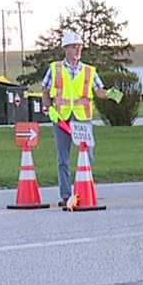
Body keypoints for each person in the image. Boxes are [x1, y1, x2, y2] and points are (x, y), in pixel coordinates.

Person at [41, 30, 108, 207]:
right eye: (74, 46)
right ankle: (66, 195)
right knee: (63, 157)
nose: (78, 50)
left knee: (88, 155)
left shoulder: (88, 70)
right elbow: (46, 92)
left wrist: (109, 94)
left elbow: (99, 89)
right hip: (62, 117)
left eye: (79, 46)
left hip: (82, 117)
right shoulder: (55, 68)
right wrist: (49, 109)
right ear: (66, 49)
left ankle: (83, 191)